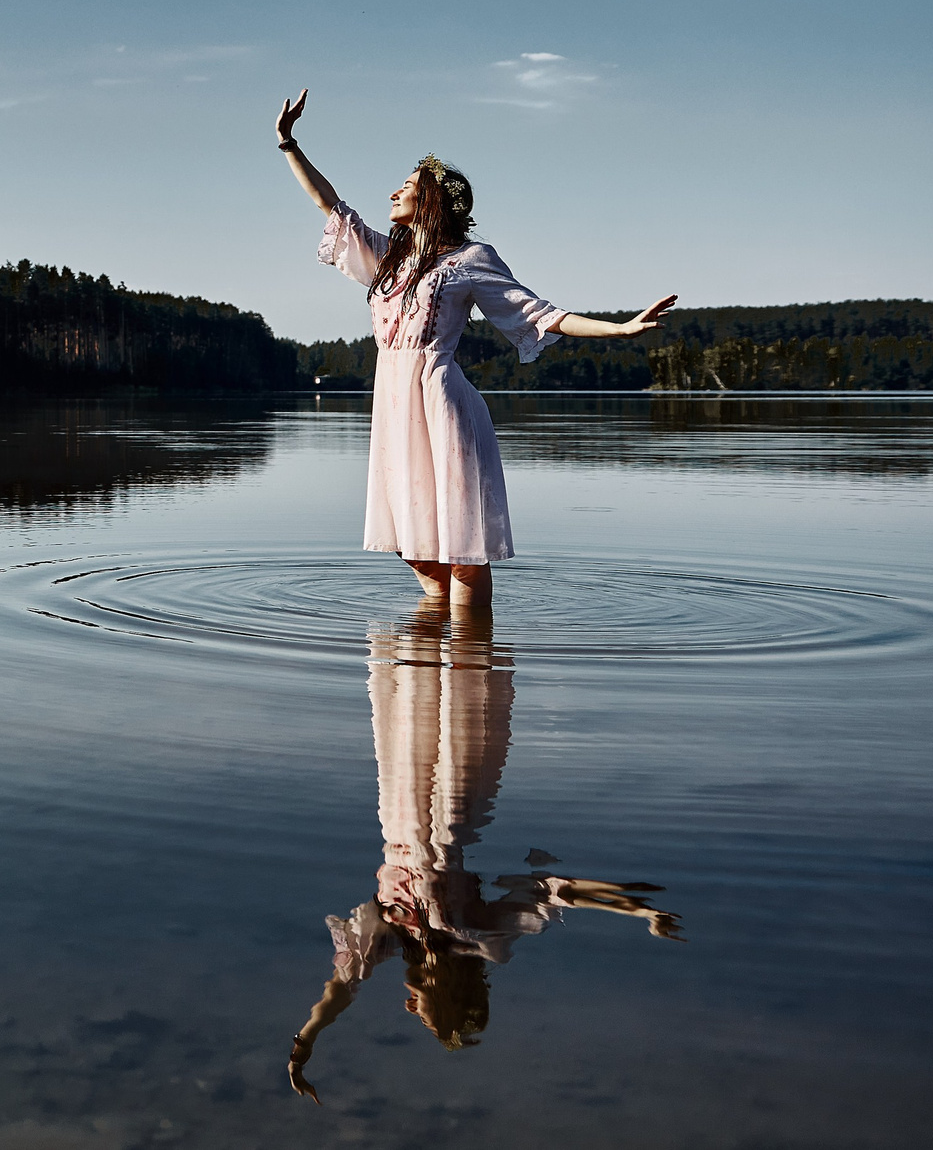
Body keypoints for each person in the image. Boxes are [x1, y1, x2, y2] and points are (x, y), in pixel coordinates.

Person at [274, 88, 676, 609]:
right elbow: (330, 204)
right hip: (394, 409)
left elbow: (539, 313)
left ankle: (470, 656)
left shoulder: (470, 259)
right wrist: (288, 143)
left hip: (441, 404)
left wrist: (619, 330)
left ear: (432, 201)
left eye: (407, 186)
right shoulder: (387, 257)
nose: (393, 192)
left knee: (462, 549)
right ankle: (435, 643)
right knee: (411, 544)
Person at [286, 607, 681, 1104]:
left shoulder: (387, 940)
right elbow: (555, 895)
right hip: (451, 819)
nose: (408, 1006)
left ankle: (435, 610)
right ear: (446, 996)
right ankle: (463, 616)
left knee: (411, 705)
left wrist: (306, 1041)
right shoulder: (477, 938)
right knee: (458, 712)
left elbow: (342, 985)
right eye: (422, 1012)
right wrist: (637, 909)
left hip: (398, 811)